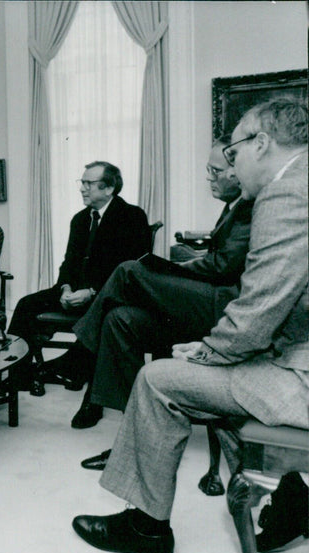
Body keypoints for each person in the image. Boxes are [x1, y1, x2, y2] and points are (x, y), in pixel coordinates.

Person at [72, 98, 308, 553]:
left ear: (261, 143)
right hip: (289, 347)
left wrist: (209, 351)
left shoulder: (288, 192)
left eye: (234, 154)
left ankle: (147, 528)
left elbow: (259, 306)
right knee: (125, 318)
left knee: (159, 378)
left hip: (298, 370)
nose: (232, 167)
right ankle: (294, 498)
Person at [60, 138, 254, 445]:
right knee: (119, 318)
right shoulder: (234, 207)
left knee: (128, 270)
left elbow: (223, 267)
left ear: (237, 170)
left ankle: (79, 355)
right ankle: (137, 431)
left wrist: (171, 268)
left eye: (214, 170)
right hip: (212, 295)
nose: (208, 176)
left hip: (224, 304)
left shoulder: (249, 206)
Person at [6, 161, 150, 395]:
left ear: (108, 188)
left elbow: (131, 270)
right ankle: (19, 375)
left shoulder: (132, 216)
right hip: (73, 290)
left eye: (88, 183)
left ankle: (75, 371)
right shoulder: (80, 219)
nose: (82, 188)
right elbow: (68, 262)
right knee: (25, 305)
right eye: (81, 182)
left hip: (108, 294)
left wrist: (92, 291)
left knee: (106, 312)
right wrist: (65, 288)